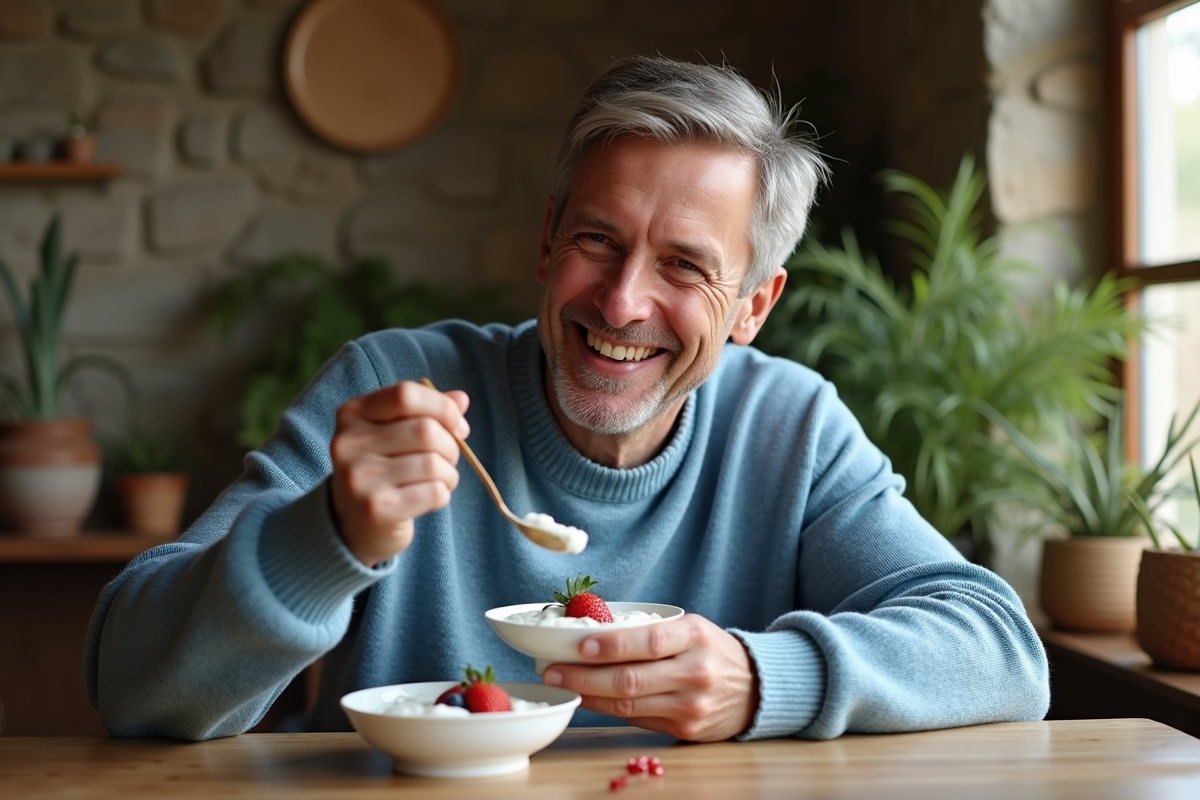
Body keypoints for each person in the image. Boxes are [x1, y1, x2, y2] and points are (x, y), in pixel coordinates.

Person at [86, 56, 1049, 743]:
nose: (624, 301)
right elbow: (129, 687)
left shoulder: (788, 427)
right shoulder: (398, 386)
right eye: (598, 240)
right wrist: (324, 534)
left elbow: (1001, 649)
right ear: (548, 243)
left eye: (684, 265)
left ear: (754, 304)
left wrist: (765, 680)